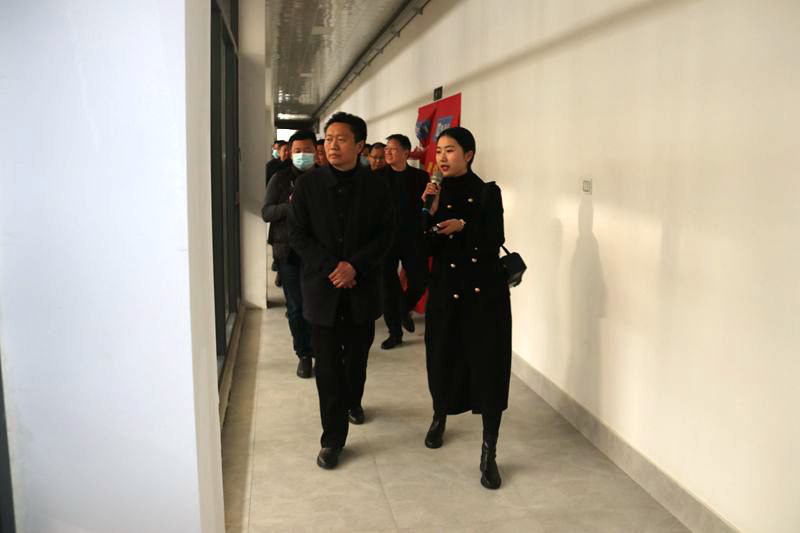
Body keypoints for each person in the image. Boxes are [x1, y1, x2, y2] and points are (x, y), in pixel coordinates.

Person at [289, 112, 394, 469]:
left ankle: (353, 400)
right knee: (329, 367)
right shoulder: (308, 185)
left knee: (357, 359)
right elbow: (298, 235)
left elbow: (386, 235)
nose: (333, 145)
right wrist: (332, 267)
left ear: (359, 145)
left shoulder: (377, 187)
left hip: (362, 290)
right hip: (323, 291)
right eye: (329, 139)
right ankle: (332, 439)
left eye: (342, 139)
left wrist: (355, 267)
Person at [421, 126, 511, 490]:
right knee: (442, 359)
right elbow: (420, 246)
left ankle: (489, 451)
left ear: (469, 154)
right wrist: (427, 214)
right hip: (446, 292)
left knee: (489, 369)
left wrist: (463, 226)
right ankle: (439, 414)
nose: (442, 157)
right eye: (439, 151)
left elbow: (495, 238)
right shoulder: (433, 192)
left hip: (484, 295)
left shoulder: (488, 192)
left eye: (450, 150)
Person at [262, 130, 317, 378]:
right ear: (290, 153)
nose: (303, 155)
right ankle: (304, 354)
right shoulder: (280, 179)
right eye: (298, 151)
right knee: (296, 307)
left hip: (319, 252)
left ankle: (321, 348)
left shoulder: (323, 178)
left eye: (307, 150)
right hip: (288, 252)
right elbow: (266, 212)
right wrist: (289, 206)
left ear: (316, 152)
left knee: (319, 305)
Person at [377, 134, 429, 349]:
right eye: (386, 149)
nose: (387, 152)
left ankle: (403, 309)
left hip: (413, 237)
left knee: (420, 280)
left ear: (406, 152)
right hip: (385, 240)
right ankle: (394, 333)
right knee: (388, 287)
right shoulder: (377, 177)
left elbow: (427, 208)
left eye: (393, 149)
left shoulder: (421, 177)